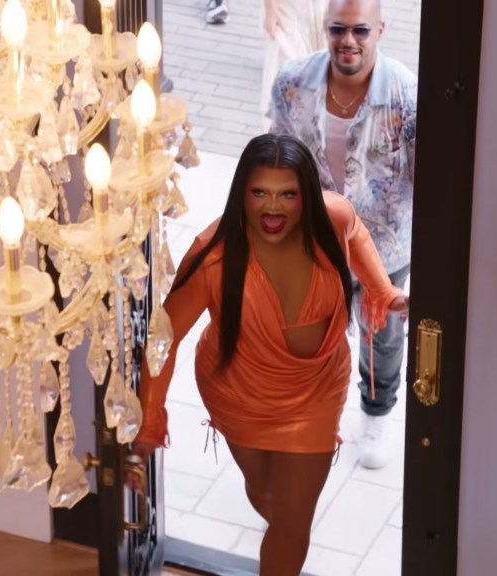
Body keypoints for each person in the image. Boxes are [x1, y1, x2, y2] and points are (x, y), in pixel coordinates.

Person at [131, 134, 407, 575]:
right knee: (268, 497)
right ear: (241, 192)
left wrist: (384, 291)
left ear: (307, 196)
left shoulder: (333, 218)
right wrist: (149, 419)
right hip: (240, 391)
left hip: (317, 389)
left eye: (287, 195)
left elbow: (357, 237)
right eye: (259, 192)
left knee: (294, 519)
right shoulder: (213, 255)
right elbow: (163, 337)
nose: (272, 207)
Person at [267, 0, 417, 469]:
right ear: (325, 27)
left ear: (380, 30)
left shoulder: (408, 97)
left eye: (360, 31)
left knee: (382, 336)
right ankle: (314, 411)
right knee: (312, 329)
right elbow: (278, 162)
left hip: (386, 247)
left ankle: (376, 412)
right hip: (317, 241)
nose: (348, 40)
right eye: (338, 29)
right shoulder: (292, 82)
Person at [260, 0, 326, 131]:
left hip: (324, 10)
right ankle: (281, 133)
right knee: (290, 71)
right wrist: (270, 9)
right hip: (289, 9)